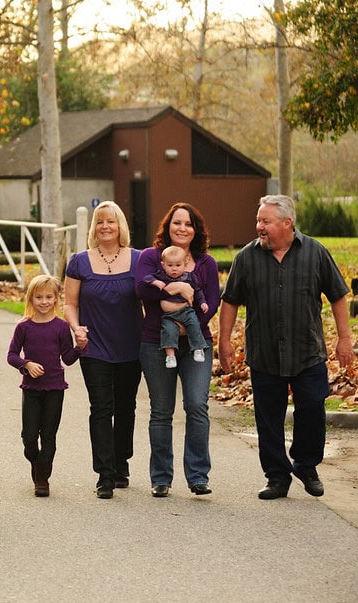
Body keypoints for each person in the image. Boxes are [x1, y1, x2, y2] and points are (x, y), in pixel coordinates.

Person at [219, 194, 353, 500]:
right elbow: (230, 301)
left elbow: (337, 296)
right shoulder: (246, 258)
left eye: (265, 221)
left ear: (286, 223)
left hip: (307, 352)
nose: (259, 227)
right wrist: (224, 341)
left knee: (312, 410)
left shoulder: (315, 252)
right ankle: (277, 477)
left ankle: (306, 465)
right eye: (258, 221)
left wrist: (344, 339)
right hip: (264, 353)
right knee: (268, 420)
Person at [135, 203, 219, 498]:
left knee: (196, 405)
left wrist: (188, 325)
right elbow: (142, 290)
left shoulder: (206, 263)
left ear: (196, 230)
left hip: (197, 342)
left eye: (188, 224)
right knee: (161, 410)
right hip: (156, 342)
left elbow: (213, 300)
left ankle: (198, 476)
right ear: (167, 227)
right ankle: (161, 478)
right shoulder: (151, 257)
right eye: (176, 223)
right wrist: (178, 290)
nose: (182, 228)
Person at [64, 200, 142, 499]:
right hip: (93, 345)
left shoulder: (138, 260)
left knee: (126, 407)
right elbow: (70, 303)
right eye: (99, 222)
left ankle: (121, 462)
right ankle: (105, 475)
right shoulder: (79, 262)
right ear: (93, 228)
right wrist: (76, 328)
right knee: (101, 407)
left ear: (120, 225)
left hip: (131, 345)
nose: (105, 226)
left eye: (110, 221)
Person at [6, 274, 86, 497]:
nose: (44, 301)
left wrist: (80, 347)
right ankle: (35, 461)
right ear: (31, 299)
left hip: (55, 389)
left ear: (56, 299)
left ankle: (42, 479)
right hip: (31, 389)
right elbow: (11, 355)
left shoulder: (61, 327)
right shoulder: (24, 327)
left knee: (49, 435)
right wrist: (26, 364)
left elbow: (67, 358)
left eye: (48, 297)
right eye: (39, 297)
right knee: (30, 436)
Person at [147, 245, 209, 368]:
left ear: (185, 264)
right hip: (169, 315)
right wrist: (155, 282)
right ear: (163, 265)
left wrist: (202, 302)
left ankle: (198, 348)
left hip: (186, 311)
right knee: (168, 332)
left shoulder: (189, 277)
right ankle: (170, 356)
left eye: (178, 265)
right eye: (170, 265)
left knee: (194, 326)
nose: (174, 269)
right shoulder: (161, 276)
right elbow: (146, 278)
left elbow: (198, 291)